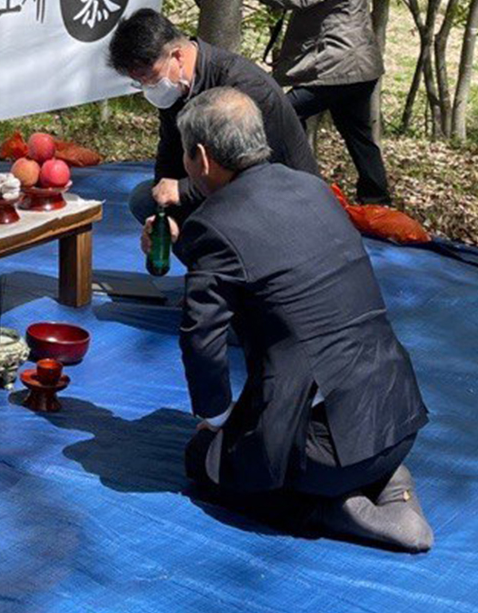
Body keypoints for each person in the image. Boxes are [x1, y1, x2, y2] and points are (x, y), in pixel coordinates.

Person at [164, 87, 433, 552]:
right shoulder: (312, 187)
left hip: (331, 451)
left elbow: (200, 335)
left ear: (201, 158)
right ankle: (387, 475)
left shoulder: (212, 224)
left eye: (185, 156)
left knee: (203, 463)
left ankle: (334, 511)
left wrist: (215, 418)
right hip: (399, 415)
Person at [237, 0, 391, 205]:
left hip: (339, 67)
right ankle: (377, 200)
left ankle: (295, 191)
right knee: (359, 136)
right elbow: (322, 17)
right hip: (356, 66)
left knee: (280, 113)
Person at [106, 8, 319, 226]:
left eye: (149, 77)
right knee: (146, 199)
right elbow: (169, 149)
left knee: (215, 221)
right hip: (215, 183)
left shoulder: (244, 87)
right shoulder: (175, 87)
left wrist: (183, 190)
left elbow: (249, 170)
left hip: (277, 193)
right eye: (139, 83)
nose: (148, 87)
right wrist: (165, 205)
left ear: (177, 56)